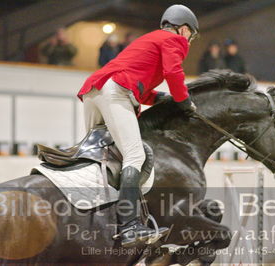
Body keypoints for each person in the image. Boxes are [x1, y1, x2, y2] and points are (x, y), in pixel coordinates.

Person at [77, 4, 199, 247]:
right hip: (115, 91)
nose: (189, 41)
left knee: (98, 154)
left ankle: (89, 212)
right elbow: (174, 73)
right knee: (135, 156)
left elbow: (135, 82)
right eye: (191, 36)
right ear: (184, 29)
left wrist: (157, 98)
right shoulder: (175, 41)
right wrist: (183, 102)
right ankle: (131, 226)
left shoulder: (150, 38)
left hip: (94, 90)